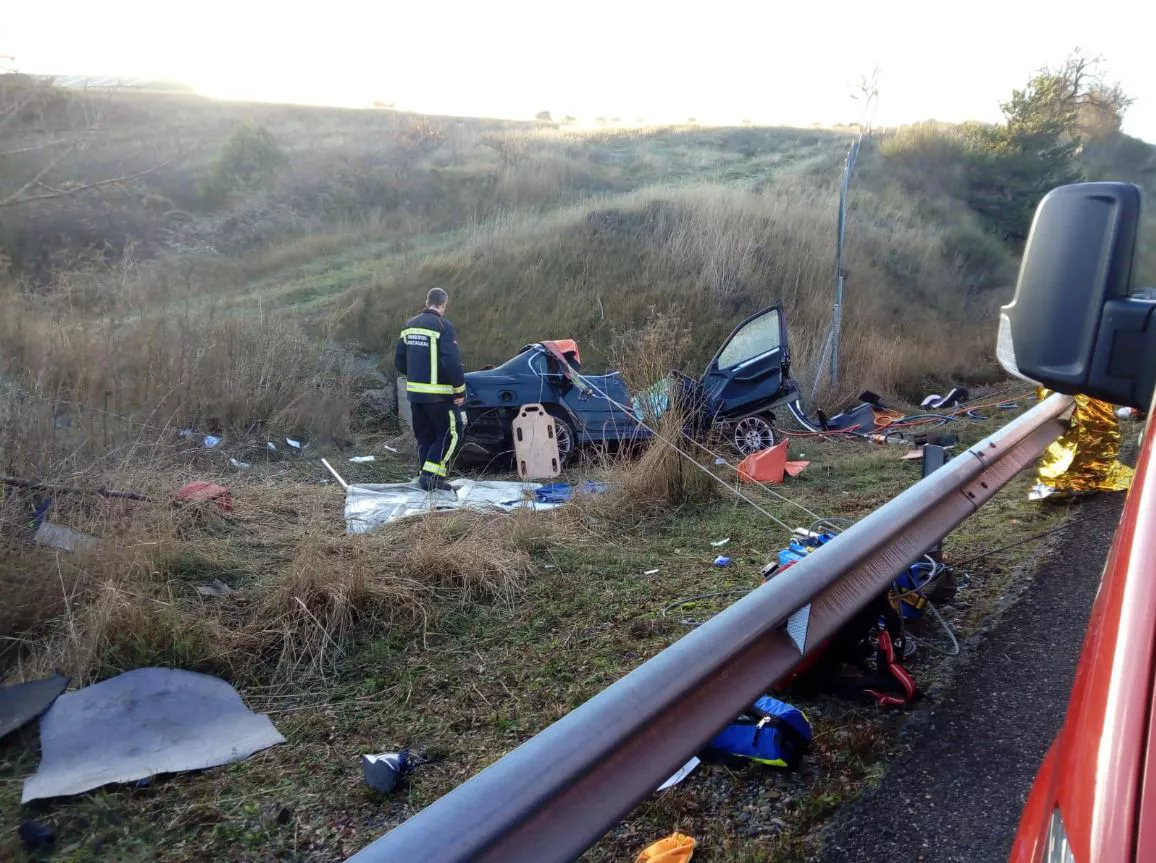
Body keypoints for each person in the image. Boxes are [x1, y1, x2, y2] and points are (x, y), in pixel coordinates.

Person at [395, 287, 466, 491]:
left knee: (425, 436)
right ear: (443, 304)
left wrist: (418, 376)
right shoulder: (443, 326)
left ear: (427, 303)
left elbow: (399, 360)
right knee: (451, 434)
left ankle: (424, 475)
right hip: (440, 396)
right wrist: (459, 390)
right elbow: (451, 361)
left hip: (416, 396)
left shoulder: (409, 326)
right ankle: (430, 476)